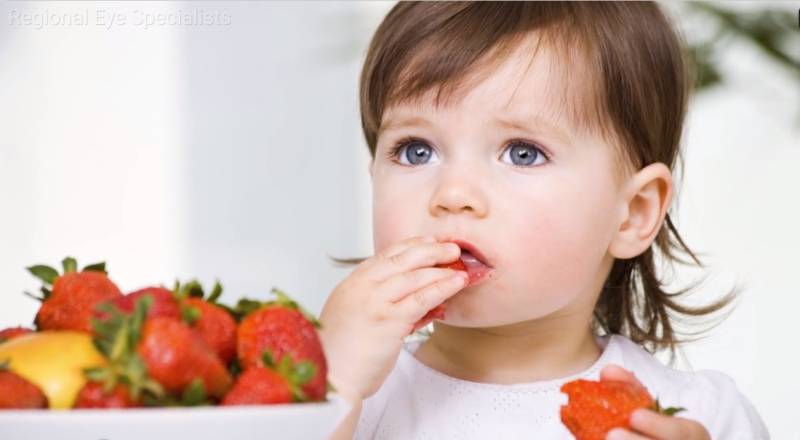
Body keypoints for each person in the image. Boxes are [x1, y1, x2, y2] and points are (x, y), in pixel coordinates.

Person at [318, 2, 769, 439]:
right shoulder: (353, 397)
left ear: (633, 213)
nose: (453, 194)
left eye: (523, 153)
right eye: (416, 150)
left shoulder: (696, 416)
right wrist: (327, 388)